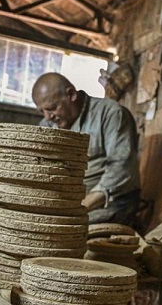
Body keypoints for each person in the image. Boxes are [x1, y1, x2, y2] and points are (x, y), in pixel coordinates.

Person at [32, 72, 141, 226]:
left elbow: (121, 169)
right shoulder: (47, 125)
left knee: (63, 231)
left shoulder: (110, 113)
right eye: (41, 111)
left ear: (71, 94)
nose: (47, 116)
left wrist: (80, 207)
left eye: (52, 108)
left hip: (112, 202)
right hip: (70, 202)